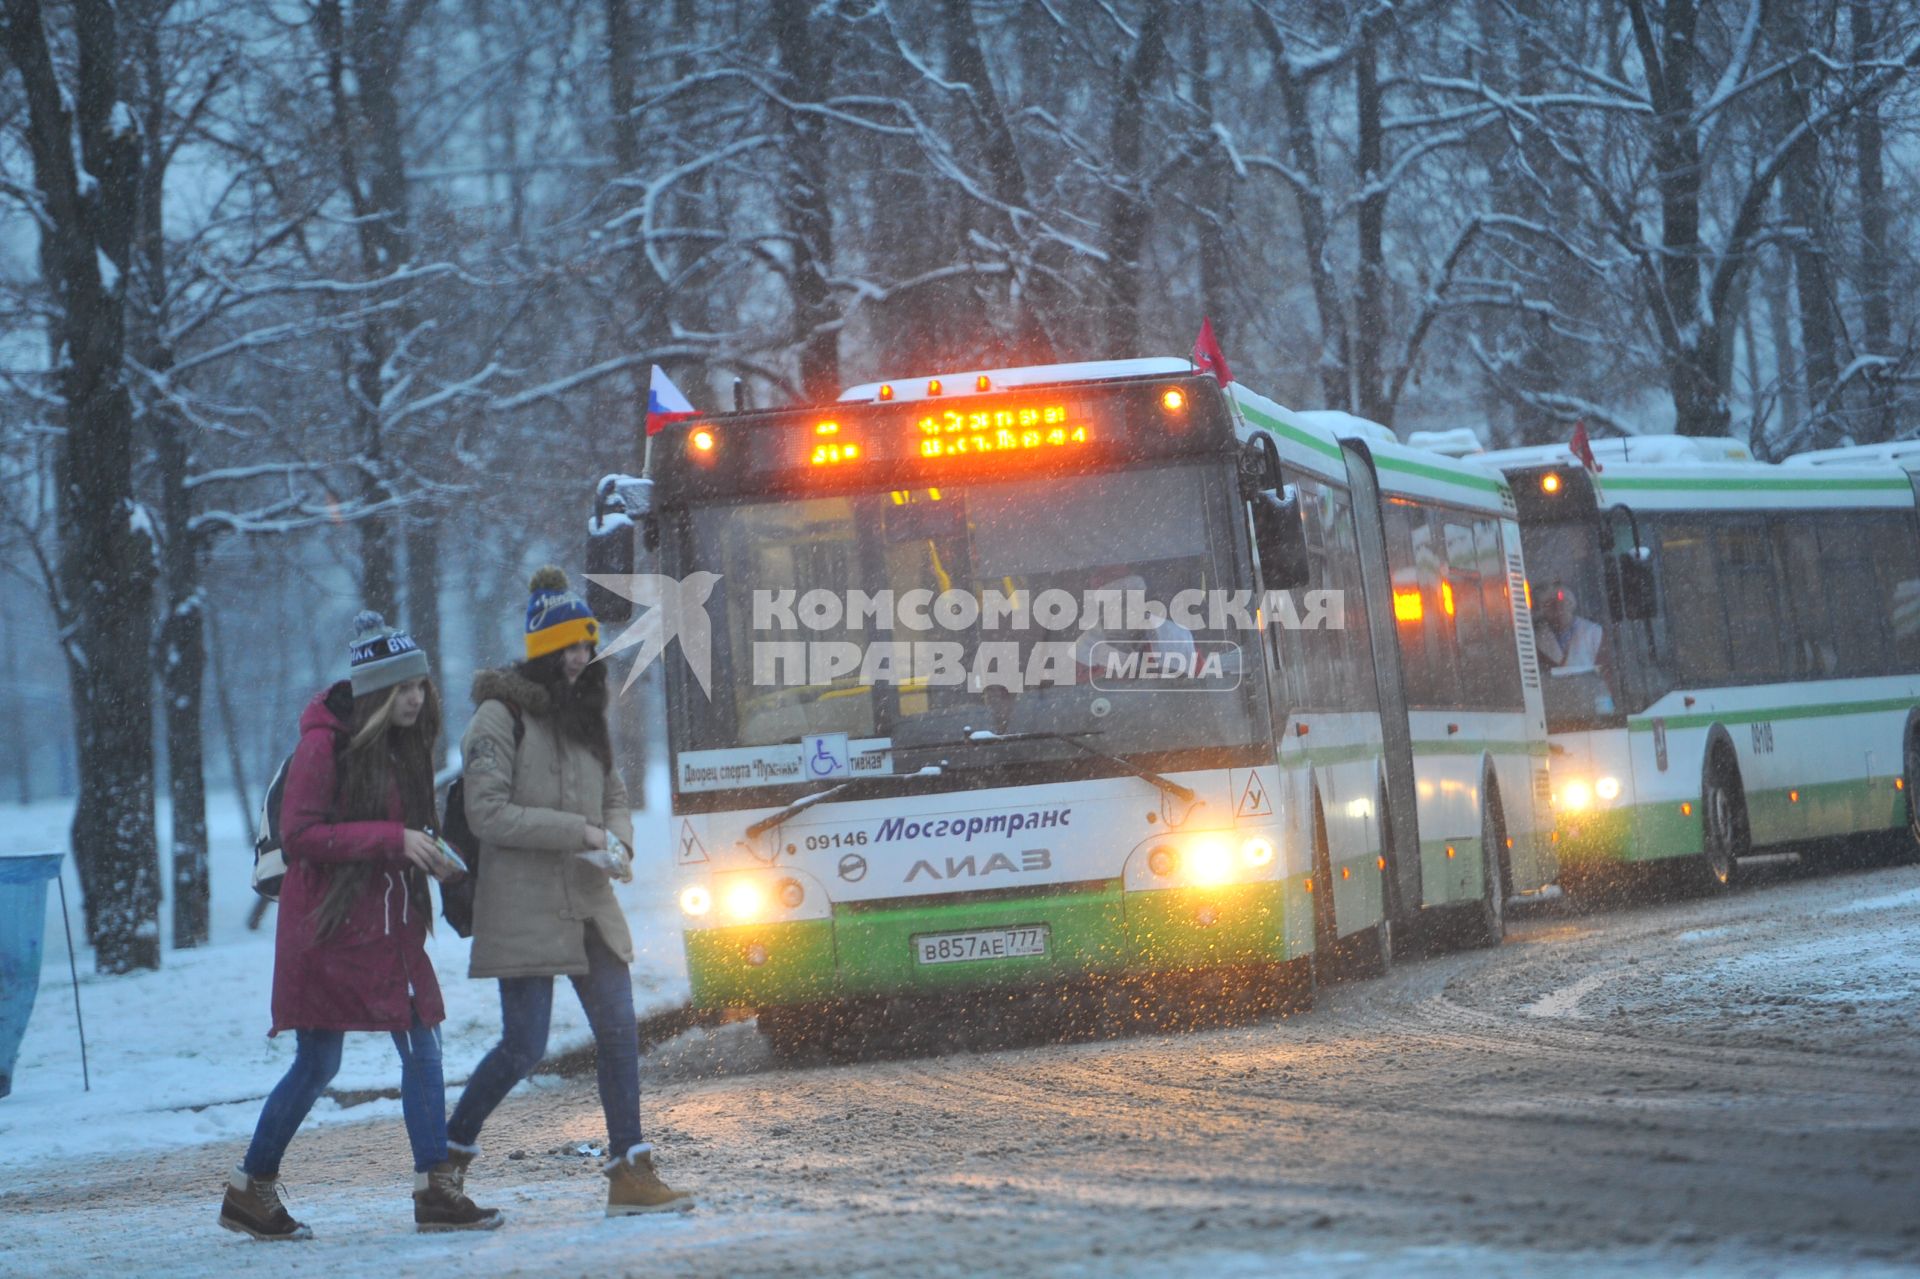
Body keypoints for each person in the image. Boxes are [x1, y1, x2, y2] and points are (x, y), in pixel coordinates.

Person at [219, 613, 501, 1241]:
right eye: (400, 689)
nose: (414, 698)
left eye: (420, 686)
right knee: (321, 1063)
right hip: (330, 930)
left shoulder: (403, 745)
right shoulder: (324, 743)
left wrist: (431, 853)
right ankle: (254, 1188)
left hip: (386, 925)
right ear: (373, 693)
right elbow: (302, 836)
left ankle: (429, 1188)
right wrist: (393, 840)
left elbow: (394, 830)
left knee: (414, 1045)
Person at [446, 567, 692, 1216]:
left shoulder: (588, 716)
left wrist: (617, 842)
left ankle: (630, 1171)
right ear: (544, 651)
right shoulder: (498, 717)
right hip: (523, 905)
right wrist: (577, 830)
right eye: (572, 646)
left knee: (619, 1035)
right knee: (523, 1045)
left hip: (588, 901)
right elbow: (487, 814)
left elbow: (613, 792)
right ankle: (447, 1158)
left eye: (589, 645)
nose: (584, 657)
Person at [1536, 581, 1604, 672]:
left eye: (1562, 603)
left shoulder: (1594, 632)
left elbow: (1605, 671)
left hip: (1586, 685)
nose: (1558, 609)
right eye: (1551, 605)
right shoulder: (1537, 639)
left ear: (1571, 604)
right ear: (1544, 610)